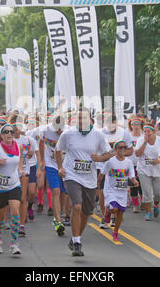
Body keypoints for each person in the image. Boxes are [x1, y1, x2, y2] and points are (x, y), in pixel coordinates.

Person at [56, 107, 112, 256]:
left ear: (90, 119)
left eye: (84, 118)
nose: (81, 121)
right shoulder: (68, 134)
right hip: (71, 175)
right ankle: (76, 242)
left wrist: (100, 158)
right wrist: (60, 167)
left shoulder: (98, 135)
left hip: (90, 178)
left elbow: (108, 153)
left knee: (87, 211)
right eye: (79, 118)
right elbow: (57, 149)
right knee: (77, 206)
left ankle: (76, 237)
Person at [0, 124, 26, 255]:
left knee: (14, 211)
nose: (9, 134)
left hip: (14, 185)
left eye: (11, 132)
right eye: (6, 132)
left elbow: (19, 162)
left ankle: (14, 244)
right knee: (1, 216)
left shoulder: (19, 147)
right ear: (1, 135)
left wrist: (20, 170)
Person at [98, 140, 139, 241]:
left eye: (124, 147)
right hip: (111, 190)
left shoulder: (128, 162)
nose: (123, 149)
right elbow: (102, 173)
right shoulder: (110, 162)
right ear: (115, 150)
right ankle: (108, 211)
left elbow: (131, 176)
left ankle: (115, 232)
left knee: (120, 212)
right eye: (120, 148)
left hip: (122, 191)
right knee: (114, 209)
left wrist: (134, 181)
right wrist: (97, 183)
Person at [39, 114, 67, 236]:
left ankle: (58, 213)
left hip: (65, 165)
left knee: (63, 192)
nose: (59, 131)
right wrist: (41, 160)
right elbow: (41, 142)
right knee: (55, 190)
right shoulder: (45, 130)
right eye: (57, 128)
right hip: (51, 164)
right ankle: (58, 221)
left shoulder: (69, 132)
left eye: (61, 128)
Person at [135, 123, 160, 221]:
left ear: (154, 132)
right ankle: (148, 212)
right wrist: (145, 142)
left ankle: (155, 205)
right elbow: (137, 154)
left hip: (157, 170)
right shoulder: (141, 140)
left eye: (148, 131)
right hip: (143, 170)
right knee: (147, 193)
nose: (146, 133)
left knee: (158, 194)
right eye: (145, 131)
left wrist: (158, 160)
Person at [127, 117, 144, 214]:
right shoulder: (128, 137)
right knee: (133, 185)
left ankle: (142, 204)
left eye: (137, 124)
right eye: (133, 124)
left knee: (142, 186)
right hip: (131, 164)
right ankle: (136, 205)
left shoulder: (143, 137)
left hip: (142, 164)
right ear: (131, 126)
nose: (136, 126)